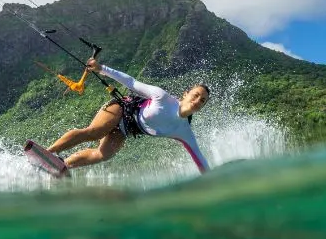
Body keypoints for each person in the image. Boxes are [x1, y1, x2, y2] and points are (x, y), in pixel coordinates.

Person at [47, 57, 211, 173]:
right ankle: (49, 152)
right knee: (95, 132)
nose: (197, 100)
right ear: (185, 94)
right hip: (122, 109)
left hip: (128, 128)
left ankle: (62, 165)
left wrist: (210, 184)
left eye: (202, 100)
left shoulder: (184, 132)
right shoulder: (162, 97)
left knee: (104, 155)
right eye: (196, 95)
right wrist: (101, 69)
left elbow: (200, 160)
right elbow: (131, 82)